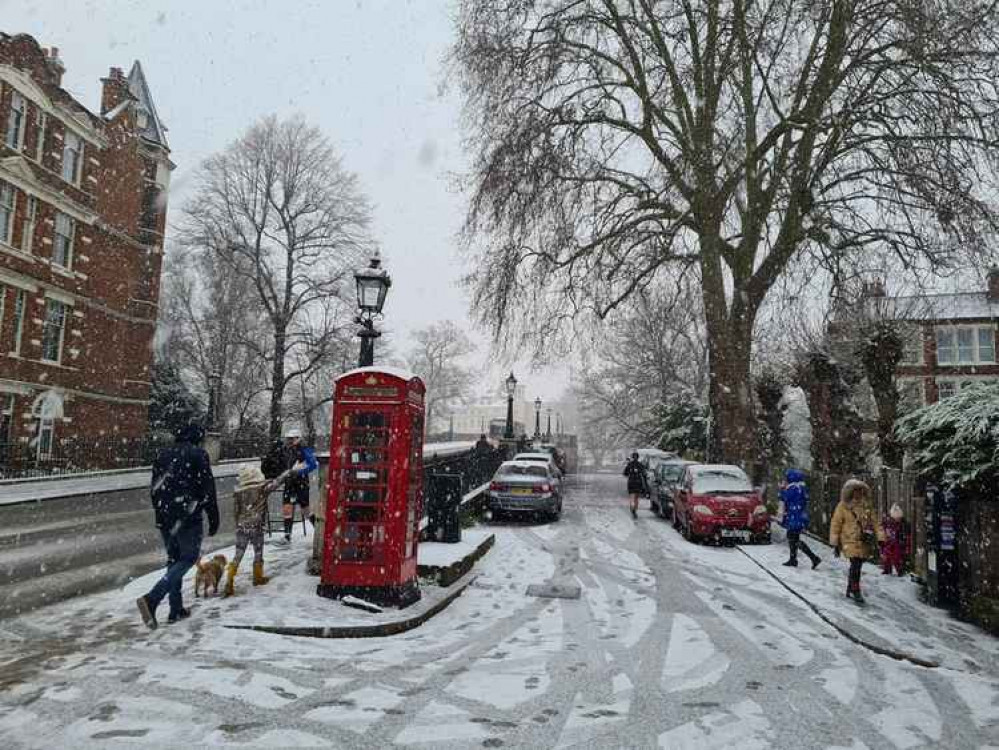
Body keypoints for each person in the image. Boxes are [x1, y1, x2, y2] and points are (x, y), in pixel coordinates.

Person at [137, 422, 219, 629]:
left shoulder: (163, 454)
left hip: (166, 516)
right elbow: (207, 487)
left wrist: (160, 514)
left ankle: (176, 610)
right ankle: (152, 598)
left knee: (174, 561)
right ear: (197, 438)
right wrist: (213, 515)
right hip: (187, 516)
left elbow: (155, 489)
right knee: (189, 558)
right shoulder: (198, 454)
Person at [223, 462, 301, 597]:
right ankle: (257, 578)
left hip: (242, 526)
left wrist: (238, 524)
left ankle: (229, 581)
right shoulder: (261, 488)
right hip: (257, 526)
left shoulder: (238, 492)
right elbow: (277, 482)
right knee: (258, 552)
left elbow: (235, 511)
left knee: (238, 554)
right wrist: (289, 471)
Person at [830, 478, 882, 605]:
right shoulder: (843, 506)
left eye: (860, 491)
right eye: (855, 491)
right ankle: (855, 589)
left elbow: (876, 522)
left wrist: (881, 537)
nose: (858, 493)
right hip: (849, 539)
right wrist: (835, 543)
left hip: (862, 539)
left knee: (858, 564)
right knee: (856, 564)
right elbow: (836, 523)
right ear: (850, 492)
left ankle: (850, 587)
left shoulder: (866, 506)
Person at [280, 427, 318, 542]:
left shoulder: (304, 450)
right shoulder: (286, 450)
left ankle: (318, 530)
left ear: (297, 438)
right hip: (289, 482)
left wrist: (300, 471)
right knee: (287, 507)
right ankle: (287, 535)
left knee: (305, 509)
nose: (289, 441)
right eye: (288, 439)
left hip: (301, 482)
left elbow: (313, 464)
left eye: (291, 439)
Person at [778, 469, 821, 569]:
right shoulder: (801, 488)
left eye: (787, 478)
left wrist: (781, 489)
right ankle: (793, 559)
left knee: (793, 538)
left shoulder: (794, 488)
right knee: (793, 538)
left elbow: (784, 497)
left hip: (795, 517)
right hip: (798, 516)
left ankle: (813, 558)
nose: (786, 479)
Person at [881, 503, 906, 577]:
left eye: (899, 518)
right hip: (889, 541)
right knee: (886, 554)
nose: (898, 519)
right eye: (896, 518)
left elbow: (903, 534)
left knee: (896, 556)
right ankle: (887, 569)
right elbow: (883, 529)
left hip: (896, 542)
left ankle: (899, 570)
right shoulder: (888, 522)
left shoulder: (902, 524)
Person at [623, 452, 645, 518]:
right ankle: (635, 510)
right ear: (638, 457)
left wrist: (630, 474)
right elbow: (644, 473)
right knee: (636, 498)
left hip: (631, 482)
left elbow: (625, 473)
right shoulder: (640, 465)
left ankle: (632, 508)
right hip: (638, 483)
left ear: (632, 457)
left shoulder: (629, 464)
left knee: (632, 497)